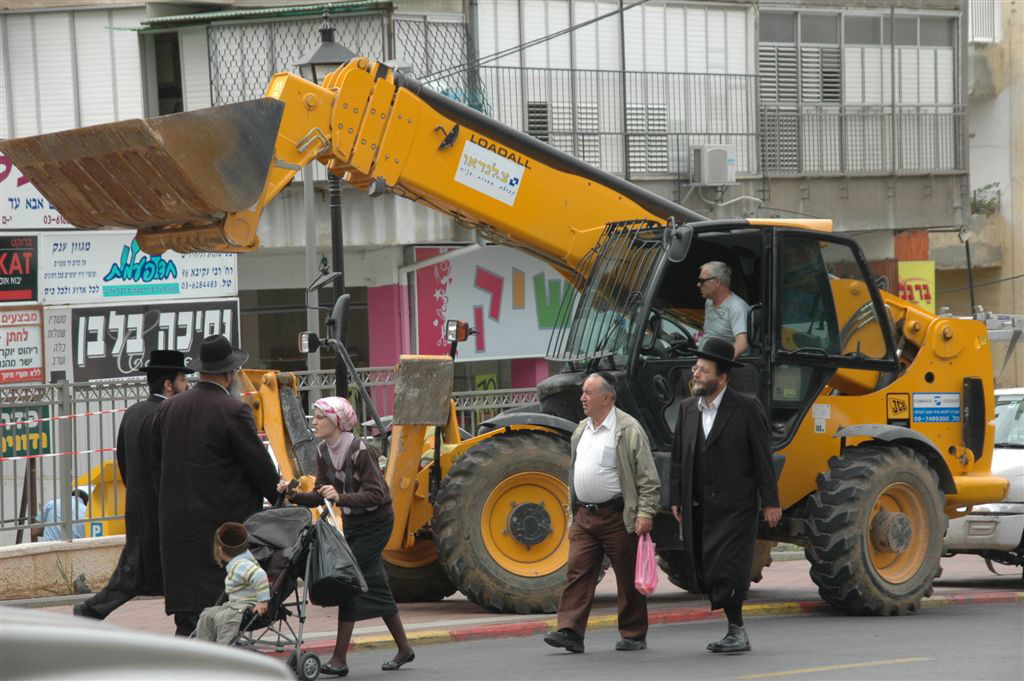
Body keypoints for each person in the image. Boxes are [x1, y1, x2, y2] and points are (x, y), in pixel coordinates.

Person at [150, 334, 283, 636]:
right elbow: (258, 466)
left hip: (177, 524)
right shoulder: (233, 410)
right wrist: (280, 496)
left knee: (188, 605)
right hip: (221, 525)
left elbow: (155, 466)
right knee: (220, 600)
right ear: (230, 373)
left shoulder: (168, 408)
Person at [279, 396, 414, 677]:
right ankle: (404, 648)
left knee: (348, 580)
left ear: (337, 422)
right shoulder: (323, 451)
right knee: (376, 584)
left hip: (377, 524)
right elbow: (320, 494)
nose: (314, 422)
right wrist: (293, 495)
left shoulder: (360, 450)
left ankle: (339, 659)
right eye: (314, 417)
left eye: (320, 417)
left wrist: (340, 497)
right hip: (353, 525)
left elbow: (377, 494)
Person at [669, 337, 781, 654]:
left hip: (735, 507)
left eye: (703, 370)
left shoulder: (746, 407)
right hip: (699, 505)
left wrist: (771, 501)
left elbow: (762, 457)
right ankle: (733, 628)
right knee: (705, 565)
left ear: (721, 377)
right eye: (695, 368)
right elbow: (678, 458)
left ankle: (737, 630)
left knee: (728, 566)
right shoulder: (687, 409)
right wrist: (676, 497)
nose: (696, 374)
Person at [544, 372, 660, 654]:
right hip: (585, 516)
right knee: (577, 572)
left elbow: (647, 477)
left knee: (627, 577)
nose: (582, 398)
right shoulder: (581, 430)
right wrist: (573, 513)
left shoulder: (628, 429)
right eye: (583, 392)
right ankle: (570, 631)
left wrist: (645, 512)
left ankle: (633, 634)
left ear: (606, 398)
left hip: (617, 516)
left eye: (588, 392)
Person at [75, 350, 192, 620]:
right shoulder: (168, 414)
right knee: (175, 571)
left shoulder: (134, 412)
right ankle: (188, 622)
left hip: (137, 506)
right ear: (168, 384)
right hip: (162, 509)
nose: (187, 385)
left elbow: (123, 460)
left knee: (133, 571)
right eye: (183, 379)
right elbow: (170, 466)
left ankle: (91, 610)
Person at [195, 522, 270, 645]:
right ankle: (203, 647)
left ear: (220, 550)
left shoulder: (240, 565)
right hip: (234, 605)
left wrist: (263, 601)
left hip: (246, 606)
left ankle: (222, 650)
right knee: (207, 615)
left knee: (223, 618)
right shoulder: (244, 558)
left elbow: (260, 575)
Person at [696, 261, 749, 358]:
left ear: (717, 282)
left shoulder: (737, 307)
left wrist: (721, 363)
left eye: (702, 281)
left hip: (717, 362)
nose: (698, 284)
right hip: (704, 358)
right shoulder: (709, 301)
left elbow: (742, 344)